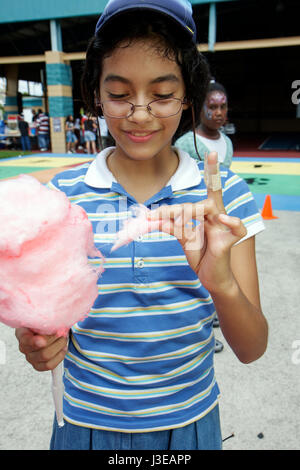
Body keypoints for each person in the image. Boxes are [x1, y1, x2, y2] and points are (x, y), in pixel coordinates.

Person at [15, 0, 268, 451]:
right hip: (83, 423)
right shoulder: (61, 197)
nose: (140, 112)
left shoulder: (225, 201)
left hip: (189, 424)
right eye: (119, 94)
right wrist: (38, 338)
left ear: (189, 94)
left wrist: (222, 283)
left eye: (163, 94)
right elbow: (47, 317)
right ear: (96, 93)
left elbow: (252, 348)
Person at [175, 81, 233, 168]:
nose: (219, 113)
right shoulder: (185, 144)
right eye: (212, 107)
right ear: (200, 108)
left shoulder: (227, 142)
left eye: (223, 106)